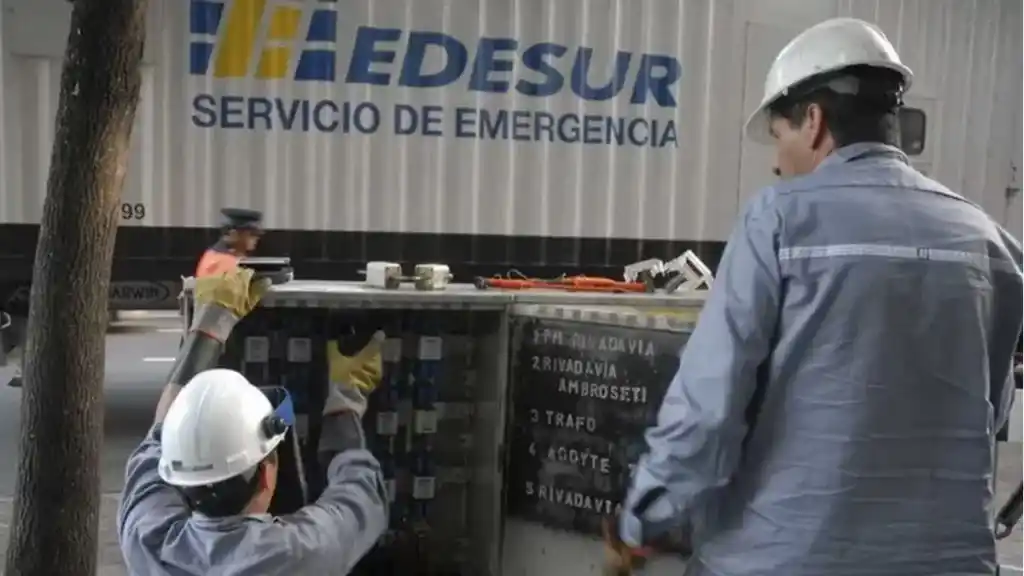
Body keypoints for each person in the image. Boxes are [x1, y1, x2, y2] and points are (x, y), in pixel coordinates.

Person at [607, 17, 1023, 576]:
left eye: (779, 138)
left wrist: (645, 520)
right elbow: (987, 411)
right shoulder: (991, 242)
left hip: (783, 557)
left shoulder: (778, 220)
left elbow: (708, 410)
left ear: (813, 120)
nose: (778, 163)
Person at [117, 268, 389, 574]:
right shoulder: (301, 552)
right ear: (266, 473)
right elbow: (360, 494)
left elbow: (158, 439)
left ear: (180, 479)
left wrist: (211, 323)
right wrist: (347, 394)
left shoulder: (147, 540)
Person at [195, 208, 264, 278]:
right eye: (252, 234)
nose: (257, 238)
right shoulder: (225, 263)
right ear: (234, 234)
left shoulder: (213, 254)